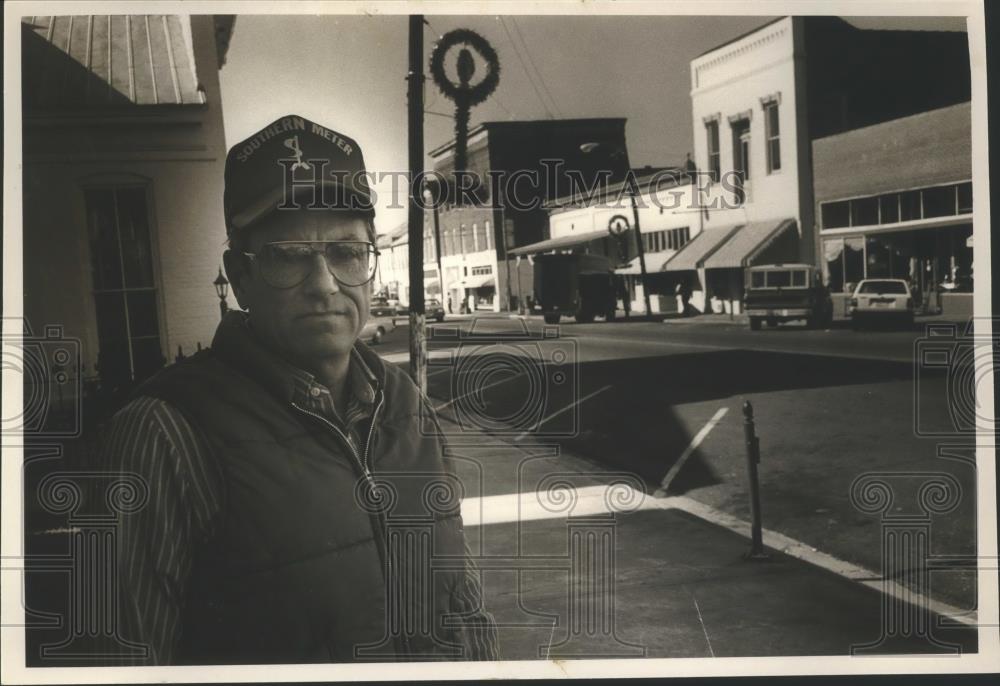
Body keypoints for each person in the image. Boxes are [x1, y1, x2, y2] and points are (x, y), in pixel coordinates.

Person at [102, 115, 499, 665]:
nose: (323, 283)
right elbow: (126, 662)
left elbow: (465, 609)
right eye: (287, 256)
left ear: (369, 262)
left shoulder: (406, 405)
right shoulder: (165, 432)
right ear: (238, 276)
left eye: (346, 253)